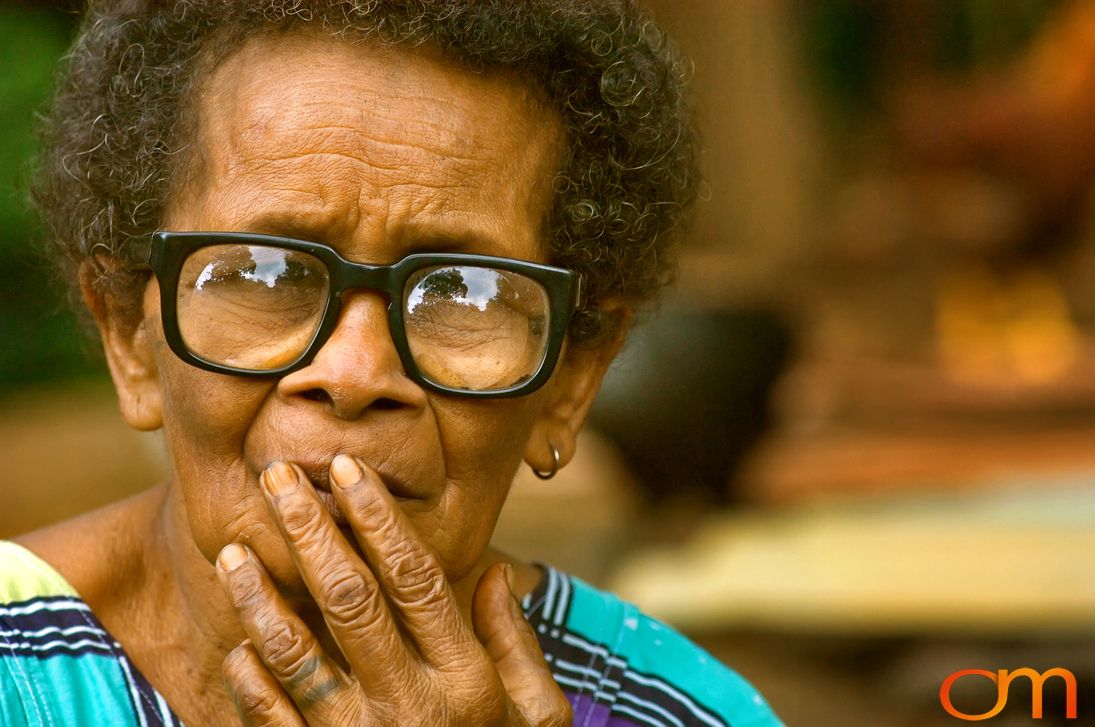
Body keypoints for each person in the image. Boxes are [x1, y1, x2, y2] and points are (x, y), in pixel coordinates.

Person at [0, 1, 782, 725]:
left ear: (569, 382)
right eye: (262, 274)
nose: (353, 372)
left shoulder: (685, 711)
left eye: (463, 294)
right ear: (129, 340)